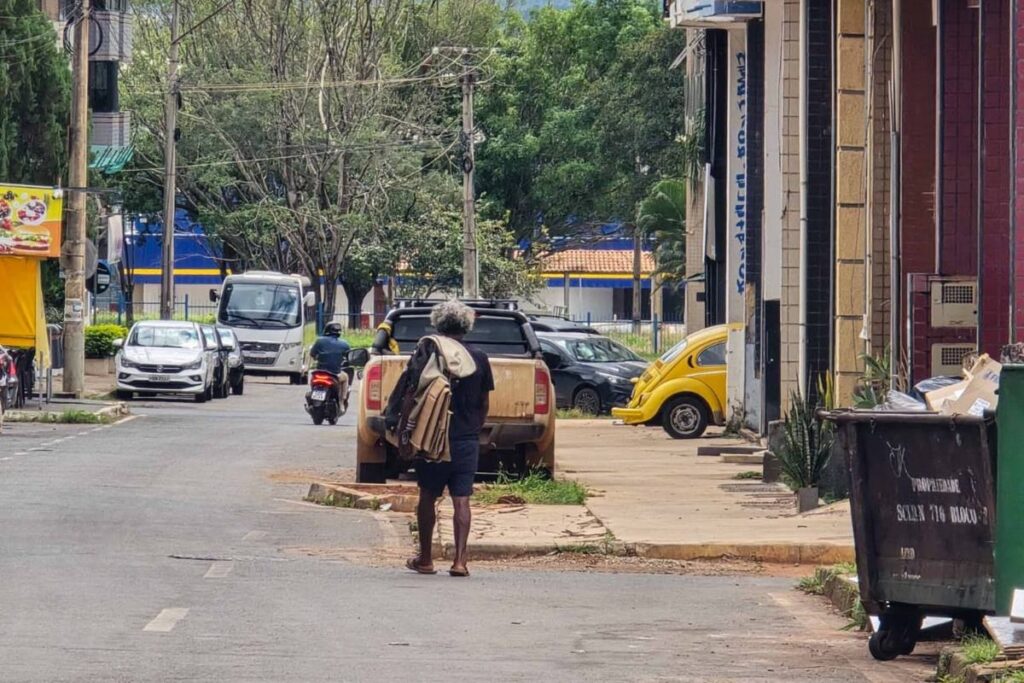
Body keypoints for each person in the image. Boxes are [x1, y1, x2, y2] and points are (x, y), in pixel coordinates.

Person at [405, 300, 493, 578]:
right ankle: (460, 561)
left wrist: (405, 431)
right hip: (466, 438)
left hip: (431, 437)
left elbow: (410, 394)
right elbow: (484, 402)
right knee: (462, 499)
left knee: (427, 496)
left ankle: (426, 559)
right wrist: (474, 429)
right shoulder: (479, 358)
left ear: (438, 324)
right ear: (466, 326)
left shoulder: (427, 353)